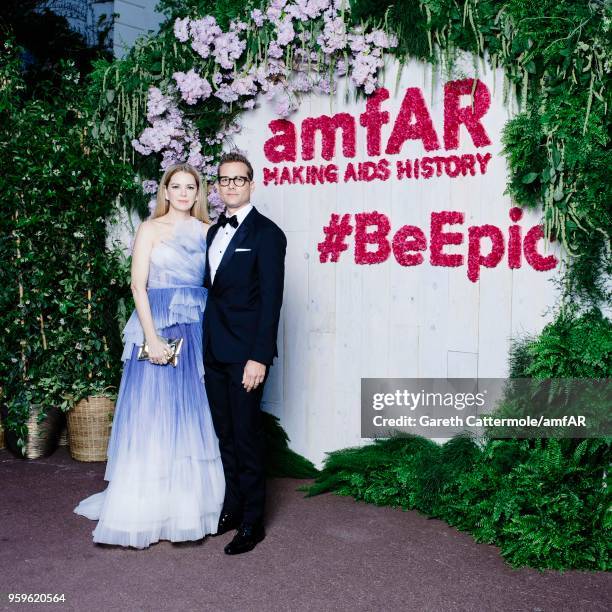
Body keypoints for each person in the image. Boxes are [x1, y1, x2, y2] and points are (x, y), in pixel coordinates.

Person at [74, 163, 225, 549]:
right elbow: (137, 286)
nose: (183, 193)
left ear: (199, 192)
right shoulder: (149, 229)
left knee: (193, 412)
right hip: (156, 323)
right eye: (176, 186)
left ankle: (189, 507)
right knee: (153, 412)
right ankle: (147, 507)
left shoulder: (210, 233)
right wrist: (153, 338)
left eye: (191, 187)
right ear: (165, 191)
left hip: (197, 326)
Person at [204, 151, 287, 555]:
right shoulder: (212, 233)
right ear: (218, 187)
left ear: (252, 183)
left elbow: (271, 302)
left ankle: (253, 522)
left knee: (247, 436)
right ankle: (233, 507)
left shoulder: (268, 234)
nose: (231, 185)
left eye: (239, 179)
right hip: (214, 352)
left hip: (246, 356)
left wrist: (259, 357)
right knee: (226, 436)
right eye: (225, 179)